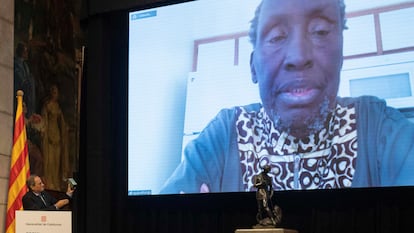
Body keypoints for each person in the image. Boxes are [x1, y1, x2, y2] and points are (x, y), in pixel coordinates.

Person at [160, 0, 414, 194]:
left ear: (340, 55)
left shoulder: (380, 128)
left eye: (320, 31)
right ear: (253, 67)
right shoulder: (224, 135)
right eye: (277, 37)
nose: (298, 56)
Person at [41, 84, 70, 191]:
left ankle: (56, 183)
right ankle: (50, 183)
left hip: (57, 134)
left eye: (57, 92)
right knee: (50, 161)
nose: (56, 94)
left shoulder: (58, 106)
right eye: (54, 92)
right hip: (49, 134)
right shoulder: (47, 105)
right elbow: (44, 120)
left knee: (57, 163)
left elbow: (62, 122)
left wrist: (66, 129)